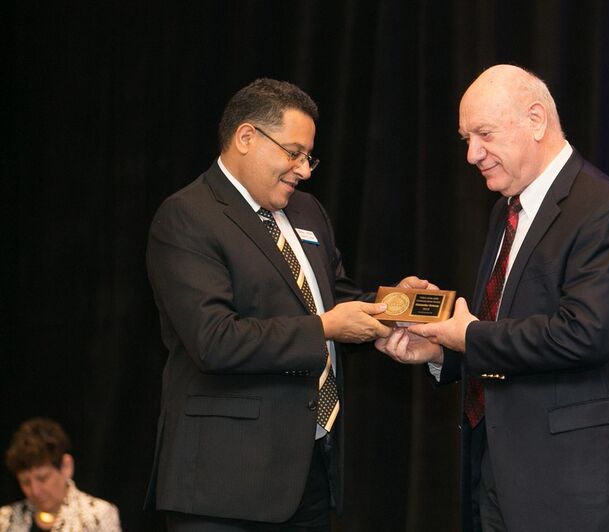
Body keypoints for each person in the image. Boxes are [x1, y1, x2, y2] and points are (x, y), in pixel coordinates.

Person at [145, 78, 429, 530]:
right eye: (294, 153)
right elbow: (214, 340)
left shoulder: (306, 210)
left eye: (308, 157)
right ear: (246, 137)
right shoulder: (188, 216)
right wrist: (326, 328)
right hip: (224, 485)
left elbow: (332, 298)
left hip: (308, 471)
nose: (304, 170)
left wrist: (395, 305)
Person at [376, 64, 609, 532]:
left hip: (573, 487)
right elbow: (503, 329)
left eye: (484, 134)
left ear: (536, 120)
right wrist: (442, 350)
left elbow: (584, 335)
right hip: (498, 475)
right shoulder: (505, 211)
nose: (472, 154)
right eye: (466, 139)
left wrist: (469, 336)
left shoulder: (603, 209)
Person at [0, 417, 121, 532]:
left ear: (66, 467)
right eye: (26, 482)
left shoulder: (97, 515)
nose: (35, 491)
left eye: (43, 478)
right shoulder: (5, 519)